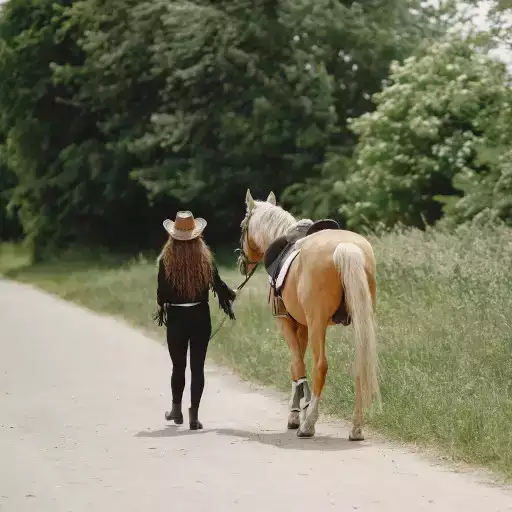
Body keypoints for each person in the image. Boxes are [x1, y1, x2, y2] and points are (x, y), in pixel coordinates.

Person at [154, 211, 236, 430]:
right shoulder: (205, 258)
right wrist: (230, 294)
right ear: (197, 235)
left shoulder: (166, 260)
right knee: (197, 367)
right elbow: (218, 285)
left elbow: (161, 293)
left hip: (176, 318)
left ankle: (176, 410)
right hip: (200, 316)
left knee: (178, 366)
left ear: (173, 236)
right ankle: (194, 417)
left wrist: (163, 304)